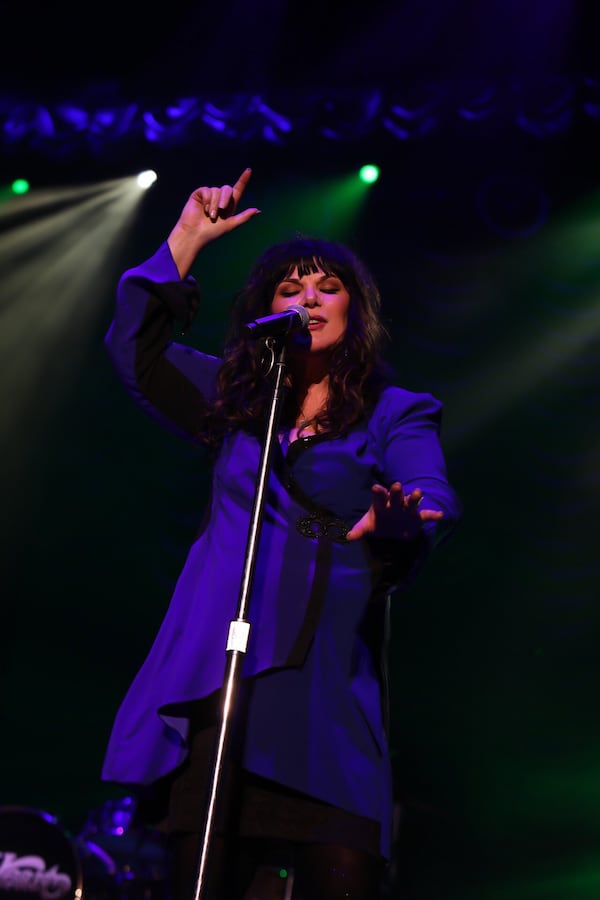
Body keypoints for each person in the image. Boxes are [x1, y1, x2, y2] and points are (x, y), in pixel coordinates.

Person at [101, 167, 462, 900]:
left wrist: (404, 517)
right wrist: (184, 240)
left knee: (341, 867)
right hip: (222, 673)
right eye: (289, 289)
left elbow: (429, 492)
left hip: (320, 684)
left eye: (325, 288)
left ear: (356, 310)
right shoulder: (235, 401)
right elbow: (134, 351)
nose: (306, 299)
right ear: (265, 312)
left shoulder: (393, 410)